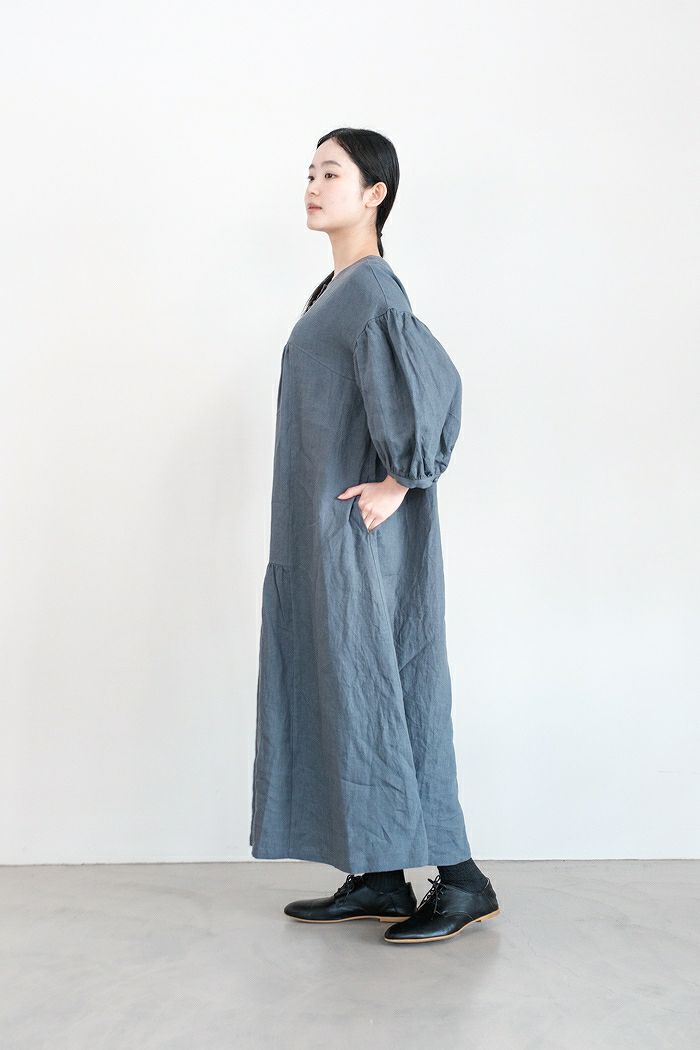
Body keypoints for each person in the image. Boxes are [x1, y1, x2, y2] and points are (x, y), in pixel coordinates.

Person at [249, 127, 500, 943]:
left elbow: (437, 384)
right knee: (346, 693)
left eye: (331, 173)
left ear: (375, 193)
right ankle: (383, 876)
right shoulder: (337, 289)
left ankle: (462, 881)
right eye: (309, 172)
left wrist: (403, 479)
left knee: (389, 693)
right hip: (320, 538)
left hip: (355, 541)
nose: (312, 185)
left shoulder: (371, 291)